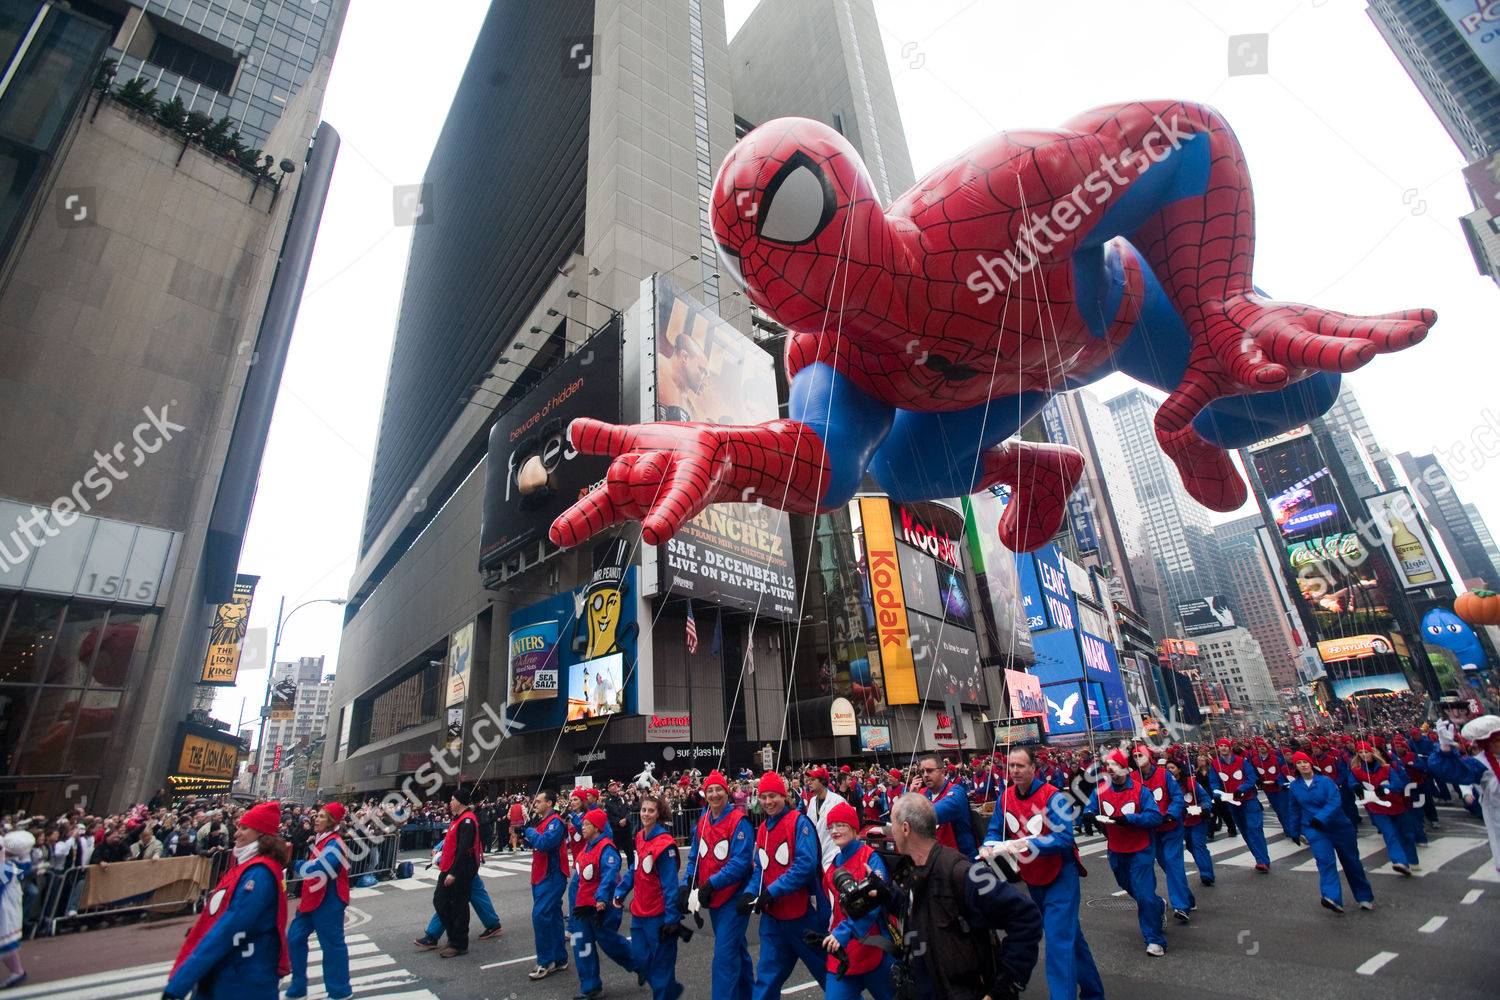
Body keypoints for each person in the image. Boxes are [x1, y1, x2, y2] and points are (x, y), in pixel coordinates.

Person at [886, 792, 1041, 999]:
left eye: (892, 823)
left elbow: (1026, 915)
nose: (890, 830)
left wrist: (1006, 985)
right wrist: (884, 895)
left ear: (905, 828)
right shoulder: (916, 871)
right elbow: (923, 914)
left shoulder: (962, 874)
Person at [981, 747, 1102, 1000]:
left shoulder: (1053, 796)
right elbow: (995, 830)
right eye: (1011, 766)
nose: (1014, 771)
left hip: (1061, 875)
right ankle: (1093, 993)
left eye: (1020, 766)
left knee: (1058, 944)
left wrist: (1026, 845)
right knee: (1072, 939)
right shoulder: (1005, 798)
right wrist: (990, 846)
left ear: (1033, 768)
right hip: (1033, 877)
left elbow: (1064, 838)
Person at [162, 802, 290, 999]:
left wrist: (180, 982)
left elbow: (231, 927)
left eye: (244, 828)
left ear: (262, 835)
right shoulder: (251, 868)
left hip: (241, 976)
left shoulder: (259, 873)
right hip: (231, 970)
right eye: (238, 827)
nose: (236, 833)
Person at [742, 771, 827, 999]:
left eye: (773, 796)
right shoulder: (762, 829)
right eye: (764, 797)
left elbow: (805, 864)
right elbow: (761, 868)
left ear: (784, 796)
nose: (768, 802)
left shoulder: (798, 822)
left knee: (830, 975)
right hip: (773, 918)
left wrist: (773, 891)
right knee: (767, 979)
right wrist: (750, 893)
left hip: (802, 915)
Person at [1084, 749, 1167, 957]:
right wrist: (1087, 816)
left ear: (1125, 768)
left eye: (1114, 765)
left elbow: (1154, 817)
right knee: (1128, 885)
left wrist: (1130, 819)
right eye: (1108, 766)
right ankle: (1158, 906)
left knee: (1144, 893)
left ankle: (1154, 939)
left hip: (1141, 849)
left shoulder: (1140, 791)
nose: (1110, 769)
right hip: (1116, 849)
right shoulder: (1100, 791)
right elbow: (1090, 808)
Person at [681, 770, 754, 1000]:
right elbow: (695, 856)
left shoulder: (738, 822)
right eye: (710, 790)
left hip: (732, 899)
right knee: (736, 952)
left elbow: (741, 862)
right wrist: (686, 884)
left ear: (727, 792)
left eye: (718, 790)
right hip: (713, 899)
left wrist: (712, 883)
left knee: (724, 958)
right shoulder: (702, 821)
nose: (714, 795)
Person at [820, 802, 894, 1000]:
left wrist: (844, 932)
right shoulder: (831, 866)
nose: (835, 831)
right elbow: (830, 908)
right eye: (831, 827)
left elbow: (874, 902)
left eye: (841, 825)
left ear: (853, 827)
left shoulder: (871, 858)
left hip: (873, 949)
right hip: (842, 953)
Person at [1285, 751, 1373, 913]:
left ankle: (1364, 896)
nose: (1303, 765)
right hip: (1316, 830)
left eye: (1305, 761)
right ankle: (1332, 897)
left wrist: (1321, 817)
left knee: (1351, 862)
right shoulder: (1295, 787)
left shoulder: (1325, 781)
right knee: (1325, 862)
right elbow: (1294, 808)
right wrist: (1294, 831)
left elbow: (1335, 802)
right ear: (1295, 767)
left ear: (1311, 763)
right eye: (1299, 763)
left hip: (1339, 827)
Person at [614, 794, 683, 1000]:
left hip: (658, 914)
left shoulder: (664, 843)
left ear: (659, 814)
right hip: (639, 911)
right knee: (641, 958)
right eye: (643, 810)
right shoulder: (640, 836)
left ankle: (665, 993)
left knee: (662, 966)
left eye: (650, 810)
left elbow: (670, 884)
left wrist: (672, 917)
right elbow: (636, 869)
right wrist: (621, 890)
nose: (645, 814)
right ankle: (670, 991)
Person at [569, 807, 636, 1000]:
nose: (583, 827)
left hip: (600, 907)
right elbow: (578, 881)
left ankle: (640, 964)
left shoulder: (606, 848)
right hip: (582, 909)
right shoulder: (586, 848)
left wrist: (600, 900)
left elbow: (610, 876)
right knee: (581, 945)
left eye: (587, 824)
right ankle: (590, 987)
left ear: (597, 828)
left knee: (610, 942)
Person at [286, 803, 351, 1000]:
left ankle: (340, 990)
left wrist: (297, 864)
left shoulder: (334, 843)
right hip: (312, 898)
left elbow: (322, 868)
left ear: (331, 821)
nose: (316, 819)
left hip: (329, 900)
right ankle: (298, 987)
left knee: (331, 945)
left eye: (322, 816)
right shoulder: (323, 841)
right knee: (294, 938)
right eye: (318, 815)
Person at [1426, 714, 1500, 876]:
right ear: (1486, 744)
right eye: (1497, 740)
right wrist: (1445, 748)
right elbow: (1446, 770)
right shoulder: (1480, 764)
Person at [1133, 744, 1193, 922]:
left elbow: (1177, 797)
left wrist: (1171, 814)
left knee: (1173, 864)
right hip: (1151, 830)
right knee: (1166, 865)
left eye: (1140, 755)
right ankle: (1187, 897)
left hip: (1170, 827)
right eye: (1134, 756)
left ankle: (1181, 905)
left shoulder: (1164, 775)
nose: (1138, 759)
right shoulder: (1133, 778)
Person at [1348, 742, 1417, 876]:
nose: (1363, 755)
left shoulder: (1386, 768)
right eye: (1360, 753)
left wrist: (1386, 789)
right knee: (1389, 833)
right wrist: (1355, 787)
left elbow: (1398, 784)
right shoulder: (1356, 770)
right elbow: (1352, 782)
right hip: (1376, 807)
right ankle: (1400, 861)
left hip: (1395, 805)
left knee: (1406, 834)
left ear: (1371, 753)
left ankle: (1412, 860)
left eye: (1366, 752)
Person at [524, 788, 571, 980]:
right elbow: (534, 843)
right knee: (552, 916)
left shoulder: (555, 823)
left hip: (551, 875)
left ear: (549, 803)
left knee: (540, 915)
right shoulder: (544, 822)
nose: (536, 805)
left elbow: (544, 843)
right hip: (542, 874)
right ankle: (559, 957)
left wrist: (529, 831)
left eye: (540, 801)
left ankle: (545, 960)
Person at [433, 785, 483, 958]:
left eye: (453, 799)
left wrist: (453, 873)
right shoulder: (457, 819)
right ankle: (453, 935)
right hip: (447, 867)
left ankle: (460, 943)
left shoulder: (467, 821)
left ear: (460, 802)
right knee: (440, 902)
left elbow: (463, 849)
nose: (450, 802)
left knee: (460, 906)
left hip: (460, 869)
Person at [1209, 739, 1271, 872]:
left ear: (1230, 748)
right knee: (1244, 830)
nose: (1224, 748)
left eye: (1226, 746)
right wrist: (1217, 795)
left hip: (1248, 799)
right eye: (1221, 746)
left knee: (1254, 828)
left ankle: (1262, 860)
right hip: (1232, 801)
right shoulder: (1215, 764)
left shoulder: (1241, 761)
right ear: (1218, 749)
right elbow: (1213, 782)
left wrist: (1241, 789)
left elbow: (1251, 778)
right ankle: (1258, 857)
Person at [1165, 757, 1214, 887]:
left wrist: (1204, 808)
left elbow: (1205, 798)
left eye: (1172, 768)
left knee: (1198, 844)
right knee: (1192, 846)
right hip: (1181, 822)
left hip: (1197, 819)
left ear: (1179, 769)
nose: (1169, 770)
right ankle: (1204, 868)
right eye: (1167, 768)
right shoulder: (1167, 785)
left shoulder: (1191, 782)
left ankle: (1206, 873)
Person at [915, 753, 975, 857]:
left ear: (942, 772)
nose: (925, 775)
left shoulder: (956, 791)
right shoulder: (921, 793)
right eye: (922, 771)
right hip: (935, 860)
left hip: (962, 860)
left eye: (929, 770)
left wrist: (911, 805)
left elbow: (937, 812)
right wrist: (911, 796)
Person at [0, 831, 32, 990]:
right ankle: (17, 971)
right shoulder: (19, 864)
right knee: (6, 944)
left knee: (5, 942)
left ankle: (17, 971)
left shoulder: (7, 868)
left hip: (4, 910)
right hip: (9, 908)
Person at [803, 767, 847, 868]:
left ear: (822, 781)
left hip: (835, 853)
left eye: (813, 780)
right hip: (817, 854)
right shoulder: (812, 801)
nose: (809, 783)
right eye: (808, 780)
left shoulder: (838, 801)